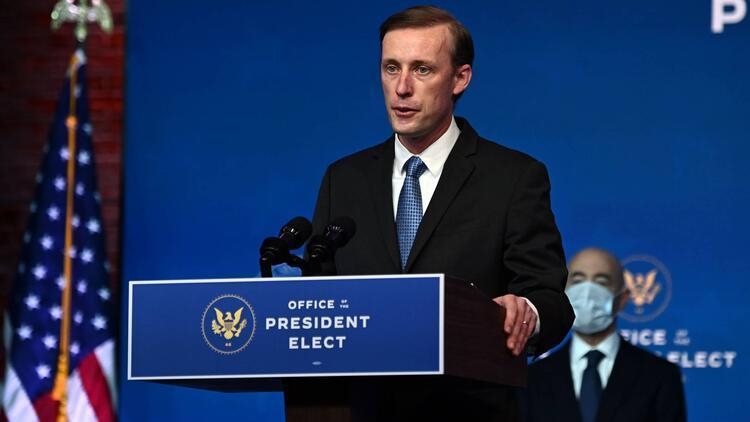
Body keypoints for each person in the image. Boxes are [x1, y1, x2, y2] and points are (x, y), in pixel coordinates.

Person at [310, 5, 573, 420]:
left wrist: (527, 312)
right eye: (391, 68)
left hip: (470, 409)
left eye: (422, 70)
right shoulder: (343, 179)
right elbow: (316, 299)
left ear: (460, 78)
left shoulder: (513, 177)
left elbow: (552, 301)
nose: (402, 88)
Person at [524, 247, 687, 422]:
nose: (587, 293)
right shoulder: (532, 378)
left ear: (623, 299)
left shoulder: (660, 376)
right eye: (578, 281)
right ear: (563, 293)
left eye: (601, 282)